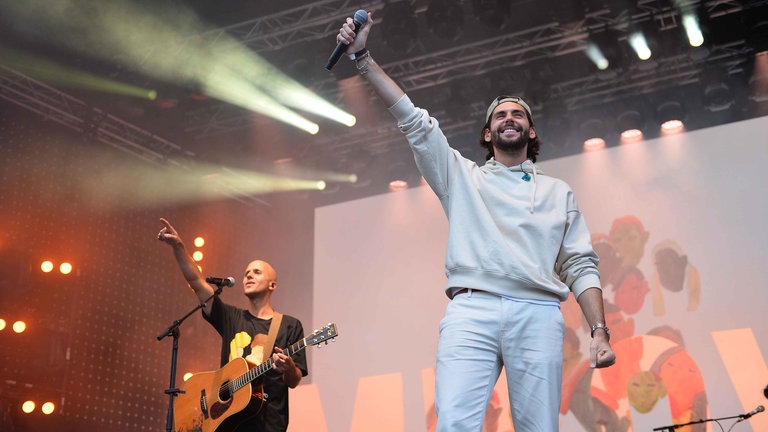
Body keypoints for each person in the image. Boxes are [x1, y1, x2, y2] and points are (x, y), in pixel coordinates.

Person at [336, 12, 616, 432]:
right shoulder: (461, 177)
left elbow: (580, 265)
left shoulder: (559, 192)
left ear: (531, 132)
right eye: (500, 115)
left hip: (537, 311)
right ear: (487, 134)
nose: (508, 119)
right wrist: (363, 59)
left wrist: (599, 331)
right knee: (453, 426)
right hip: (472, 308)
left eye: (517, 115)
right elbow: (414, 121)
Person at [157, 218, 307, 432]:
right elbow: (197, 282)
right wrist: (179, 246)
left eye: (256, 272)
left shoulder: (289, 325)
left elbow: (293, 381)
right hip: (227, 423)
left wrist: (289, 367)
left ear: (272, 284)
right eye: (246, 272)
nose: (248, 275)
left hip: (268, 426)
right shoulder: (231, 317)